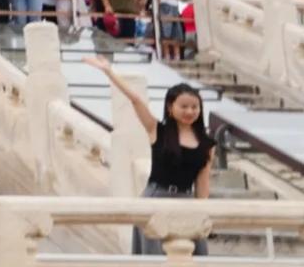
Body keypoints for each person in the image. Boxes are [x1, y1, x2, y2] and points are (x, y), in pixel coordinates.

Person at [85, 55, 214, 252]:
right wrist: (109, 71)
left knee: (193, 257)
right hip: (156, 197)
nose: (189, 111)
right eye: (184, 106)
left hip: (186, 202)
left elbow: (203, 186)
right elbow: (135, 100)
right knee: (155, 258)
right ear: (171, 108)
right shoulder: (157, 130)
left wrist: (202, 213)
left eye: (194, 107)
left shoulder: (207, 144)